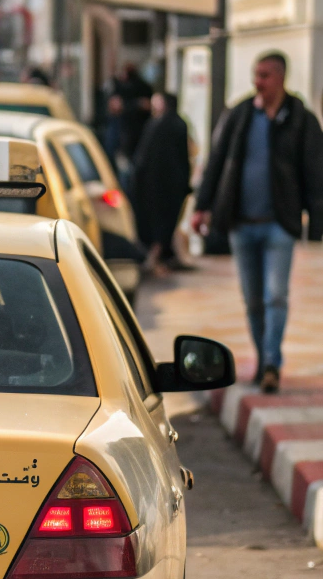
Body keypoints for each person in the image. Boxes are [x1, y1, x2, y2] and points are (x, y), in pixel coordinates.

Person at [192, 52, 323, 393]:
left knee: (276, 294)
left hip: (279, 223)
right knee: (252, 299)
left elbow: (315, 172)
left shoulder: (300, 119)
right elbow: (217, 161)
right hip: (241, 223)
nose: (257, 82)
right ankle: (263, 355)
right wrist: (201, 206)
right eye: (255, 74)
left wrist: (317, 219)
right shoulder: (239, 116)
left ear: (280, 78)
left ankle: (271, 363)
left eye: (263, 75)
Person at [130, 92, 191, 275]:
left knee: (157, 223)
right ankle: (159, 256)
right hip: (173, 184)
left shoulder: (155, 125)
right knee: (166, 222)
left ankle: (154, 258)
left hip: (153, 185)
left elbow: (142, 158)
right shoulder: (179, 124)